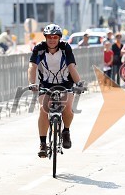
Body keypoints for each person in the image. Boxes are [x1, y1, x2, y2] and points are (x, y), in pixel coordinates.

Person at [27, 24, 84, 158]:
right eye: (49, 37)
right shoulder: (39, 49)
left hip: (65, 83)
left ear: (59, 38)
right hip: (46, 84)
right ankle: (43, 144)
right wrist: (32, 83)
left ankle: (66, 131)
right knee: (43, 109)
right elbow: (32, 66)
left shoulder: (65, 48)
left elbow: (71, 67)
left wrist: (79, 83)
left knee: (68, 109)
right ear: (45, 38)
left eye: (55, 37)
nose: (52, 40)